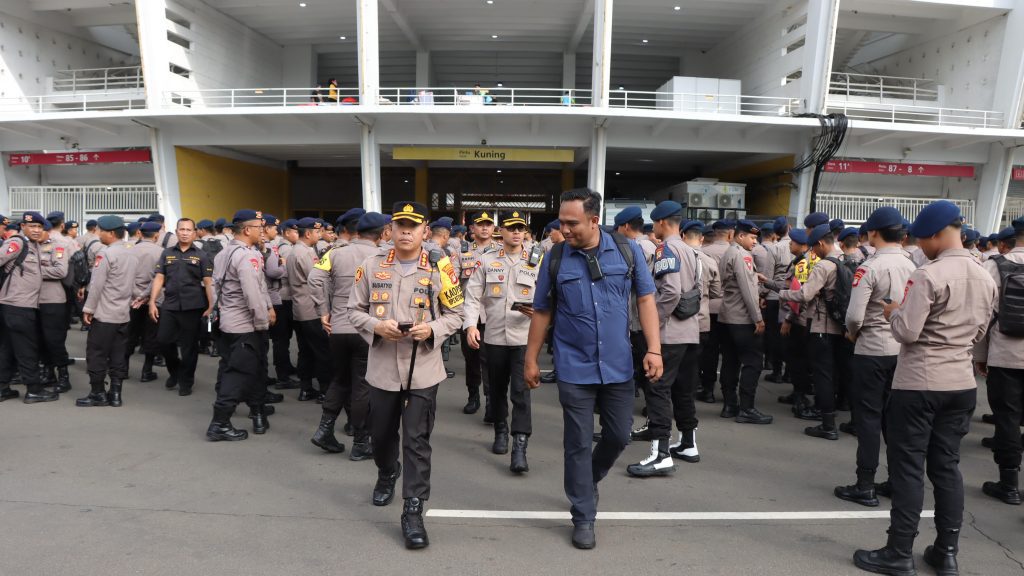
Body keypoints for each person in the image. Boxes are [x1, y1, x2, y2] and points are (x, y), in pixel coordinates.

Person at [854, 201, 997, 576]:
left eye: (921, 238)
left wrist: (892, 313)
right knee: (947, 467)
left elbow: (907, 332)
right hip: (962, 383)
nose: (918, 245)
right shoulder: (985, 275)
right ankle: (946, 550)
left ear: (936, 234)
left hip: (919, 384)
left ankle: (899, 551)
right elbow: (981, 332)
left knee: (908, 469)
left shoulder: (928, 275)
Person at [524, 188, 663, 550]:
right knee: (577, 442)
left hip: (618, 365)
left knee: (619, 436)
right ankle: (583, 514)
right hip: (574, 366)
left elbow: (646, 298)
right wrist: (531, 359)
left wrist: (654, 349)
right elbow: (541, 310)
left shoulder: (625, 250)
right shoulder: (555, 258)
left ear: (594, 220)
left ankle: (589, 480)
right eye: (562, 222)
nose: (564, 229)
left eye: (572, 223)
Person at [348, 201, 465, 550]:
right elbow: (353, 310)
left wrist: (431, 329)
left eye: (413, 226)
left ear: (424, 230)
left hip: (423, 371)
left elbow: (455, 313)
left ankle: (413, 511)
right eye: (399, 224)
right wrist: (376, 325)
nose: (405, 231)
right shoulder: (370, 266)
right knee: (382, 436)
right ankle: (387, 472)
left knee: (416, 441)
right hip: (383, 369)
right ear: (390, 230)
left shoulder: (440, 268)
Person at [834, 207, 916, 507]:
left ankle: (865, 483)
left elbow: (854, 315)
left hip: (872, 349)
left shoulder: (869, 267)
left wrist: (853, 333)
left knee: (868, 418)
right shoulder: (914, 264)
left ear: (873, 233)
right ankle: (895, 480)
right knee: (894, 420)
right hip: (902, 351)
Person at [626, 202, 700, 478]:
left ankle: (660, 454)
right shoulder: (691, 250)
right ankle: (688, 442)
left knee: (657, 389)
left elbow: (670, 292)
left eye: (654, 223)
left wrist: (652, 324)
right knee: (683, 390)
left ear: (661, 223)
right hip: (690, 331)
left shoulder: (665, 248)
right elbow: (697, 290)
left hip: (669, 334)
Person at [463, 211, 539, 473]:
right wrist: (471, 325)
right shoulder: (486, 262)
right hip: (494, 336)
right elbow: (472, 297)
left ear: (525, 232)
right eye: (511, 228)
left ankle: (520, 445)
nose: (516, 233)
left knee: (521, 390)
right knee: (496, 389)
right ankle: (500, 430)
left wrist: (538, 310)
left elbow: (549, 297)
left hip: (523, 337)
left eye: (521, 228)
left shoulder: (536, 261)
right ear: (501, 232)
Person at [308, 211, 384, 460]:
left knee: (340, 380)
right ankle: (361, 440)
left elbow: (315, 278)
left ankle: (324, 429)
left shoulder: (335, 252)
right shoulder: (383, 255)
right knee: (363, 384)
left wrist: (323, 311)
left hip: (339, 327)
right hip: (367, 328)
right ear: (382, 233)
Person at [207, 210, 275, 441]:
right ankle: (220, 423)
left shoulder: (224, 253)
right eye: (259, 227)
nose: (262, 231)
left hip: (228, 322)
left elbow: (215, 288)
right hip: (245, 326)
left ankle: (258, 413)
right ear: (247, 230)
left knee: (247, 369)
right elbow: (252, 293)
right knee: (237, 374)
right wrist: (262, 322)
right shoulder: (247, 256)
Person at [771, 223, 845, 438]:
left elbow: (804, 295)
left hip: (821, 325)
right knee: (833, 372)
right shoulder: (846, 260)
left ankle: (827, 424)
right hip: (839, 326)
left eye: (814, 247)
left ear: (821, 243)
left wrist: (782, 294)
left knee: (822, 375)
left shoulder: (823, 266)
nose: (812, 252)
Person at [974, 215, 1024, 506]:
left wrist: (980, 357)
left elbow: (985, 315)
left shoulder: (996, 265)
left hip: (1005, 356)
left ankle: (1008, 484)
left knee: (1007, 419)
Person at [77, 215, 139, 408]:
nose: (98, 234)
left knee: (96, 353)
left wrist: (88, 308)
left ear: (111, 233)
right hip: (123, 312)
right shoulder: (131, 252)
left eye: (100, 231)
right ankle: (115, 394)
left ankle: (97, 393)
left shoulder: (106, 254)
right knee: (118, 353)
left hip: (104, 313)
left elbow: (96, 285)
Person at [149, 218, 215, 396]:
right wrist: (152, 301)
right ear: (176, 232)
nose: (185, 232)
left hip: (193, 307)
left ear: (194, 233)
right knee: (163, 340)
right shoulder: (167, 253)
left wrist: (211, 305)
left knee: (189, 347)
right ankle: (175, 371)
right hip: (169, 305)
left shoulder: (201, 256)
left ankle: (186, 381)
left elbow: (208, 282)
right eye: (181, 229)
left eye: (188, 230)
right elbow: (159, 278)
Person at [287, 218, 332, 401]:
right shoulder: (304, 253)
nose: (319, 235)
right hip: (311, 308)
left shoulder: (296, 251)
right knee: (322, 351)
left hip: (300, 307)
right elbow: (317, 278)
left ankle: (305, 388)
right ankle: (324, 390)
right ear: (308, 234)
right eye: (317, 232)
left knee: (305, 350)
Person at [459, 211, 499, 417]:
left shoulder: (501, 251)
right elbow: (452, 285)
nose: (484, 228)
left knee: (491, 360)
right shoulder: (461, 252)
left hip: (494, 315)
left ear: (494, 228)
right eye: (480, 224)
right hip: (469, 315)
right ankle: (473, 395)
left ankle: (491, 400)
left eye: (488, 224)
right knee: (472, 359)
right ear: (471, 228)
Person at [697, 220, 732, 404]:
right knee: (727, 352)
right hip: (729, 308)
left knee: (708, 351)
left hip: (708, 308)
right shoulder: (736, 252)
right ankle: (727, 394)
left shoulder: (703, 253)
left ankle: (707, 389)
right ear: (730, 234)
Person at [36, 218, 72, 393]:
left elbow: (60, 270)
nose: (36, 232)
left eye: (39, 229)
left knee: (54, 340)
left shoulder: (58, 246)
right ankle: (48, 373)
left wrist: (33, 271)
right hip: (33, 300)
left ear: (48, 231)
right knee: (40, 340)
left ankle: (63, 376)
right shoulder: (30, 246)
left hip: (52, 300)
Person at [127, 221, 165, 381]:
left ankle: (123, 369)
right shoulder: (162, 252)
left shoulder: (129, 251)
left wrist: (137, 295)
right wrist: (145, 296)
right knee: (151, 335)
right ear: (156, 235)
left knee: (129, 335)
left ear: (140, 234)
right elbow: (160, 278)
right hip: (154, 300)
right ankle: (146, 371)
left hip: (131, 299)